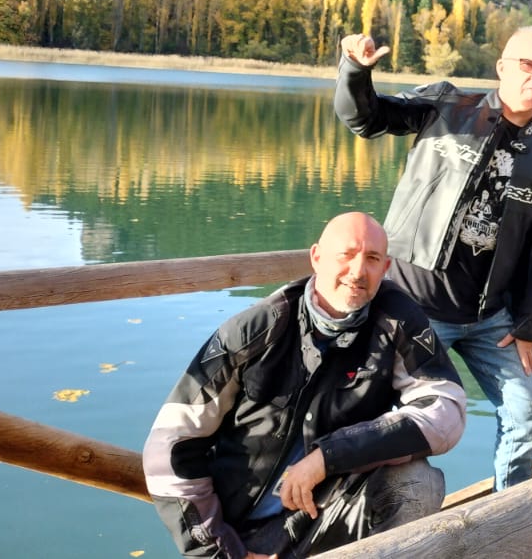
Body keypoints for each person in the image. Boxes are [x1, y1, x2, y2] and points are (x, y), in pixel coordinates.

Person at [333, 27, 532, 492]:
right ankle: (386, 516)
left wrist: (526, 324)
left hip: (489, 319)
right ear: (502, 67)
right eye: (528, 64)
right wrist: (357, 72)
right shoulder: (447, 106)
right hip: (414, 305)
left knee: (527, 412)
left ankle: (507, 519)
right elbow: (366, 118)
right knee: (393, 417)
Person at [144, 212, 467, 559]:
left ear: (386, 267)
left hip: (331, 512)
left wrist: (328, 457)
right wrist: (220, 551)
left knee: (419, 485)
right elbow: (169, 446)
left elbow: (445, 409)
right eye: (346, 255)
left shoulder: (397, 320)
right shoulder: (255, 330)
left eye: (372, 259)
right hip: (246, 536)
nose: (358, 272)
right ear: (316, 258)